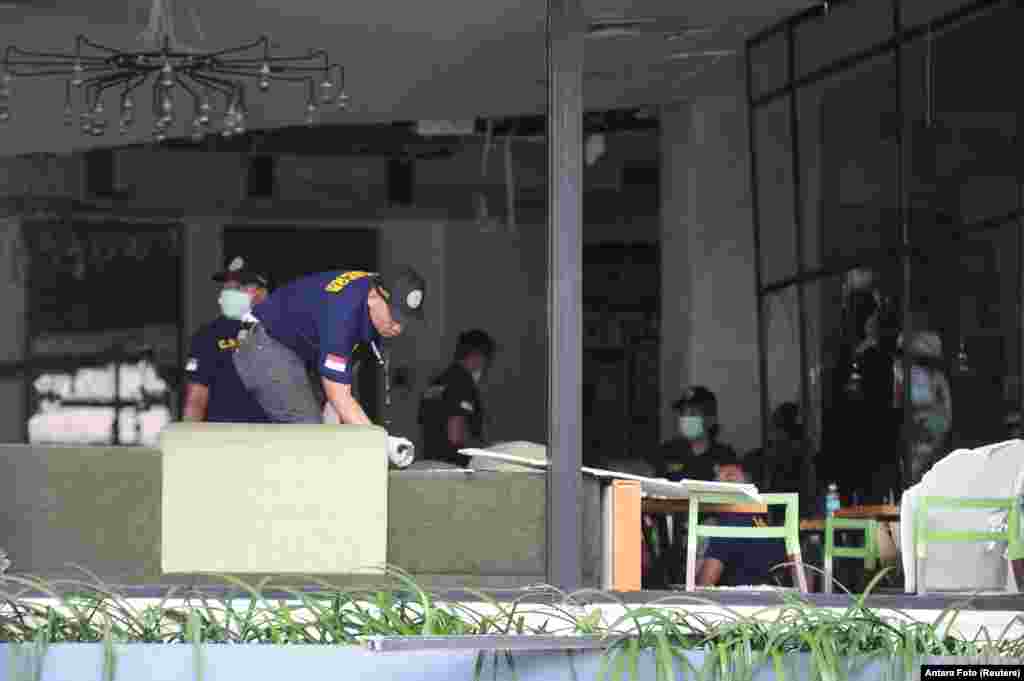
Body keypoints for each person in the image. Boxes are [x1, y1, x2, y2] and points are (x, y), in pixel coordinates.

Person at [232, 266, 426, 465]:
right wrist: (382, 444)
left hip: (298, 350)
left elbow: (339, 399)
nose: (398, 328)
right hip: (265, 345)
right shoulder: (343, 314)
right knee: (309, 436)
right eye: (394, 318)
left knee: (329, 435)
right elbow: (339, 397)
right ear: (373, 297)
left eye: (405, 320)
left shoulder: (372, 298)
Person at [183, 255, 272, 423]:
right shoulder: (208, 335)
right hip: (222, 439)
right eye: (227, 287)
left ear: (262, 291)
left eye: (239, 287)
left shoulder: (284, 331)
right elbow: (196, 399)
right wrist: (189, 442)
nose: (230, 293)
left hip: (275, 439)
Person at [696, 455, 792, 588]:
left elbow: (703, 587)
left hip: (740, 602)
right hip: (775, 597)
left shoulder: (728, 527)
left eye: (727, 475)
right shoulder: (758, 520)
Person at [417, 329, 496, 467]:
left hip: (430, 463)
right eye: (486, 361)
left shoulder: (437, 383)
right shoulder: (463, 384)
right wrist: (488, 450)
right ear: (477, 357)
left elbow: (424, 426)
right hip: (455, 467)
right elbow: (456, 434)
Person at [652, 386, 738, 482]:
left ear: (710, 420)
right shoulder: (667, 452)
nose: (686, 418)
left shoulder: (724, 456)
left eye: (693, 413)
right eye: (683, 413)